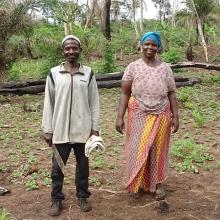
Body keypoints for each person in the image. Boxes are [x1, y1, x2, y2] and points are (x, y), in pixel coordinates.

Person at [115, 32, 179, 200]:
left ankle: (158, 184)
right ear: (141, 45)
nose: (150, 47)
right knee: (137, 148)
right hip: (138, 114)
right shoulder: (133, 67)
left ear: (158, 47)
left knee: (158, 149)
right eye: (147, 44)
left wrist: (176, 116)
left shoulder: (165, 68)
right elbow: (124, 93)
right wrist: (119, 117)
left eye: (154, 44)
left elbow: (172, 93)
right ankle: (136, 184)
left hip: (161, 113)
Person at [41, 35, 100, 216]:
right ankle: (56, 199)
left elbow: (94, 102)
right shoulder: (54, 74)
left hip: (83, 131)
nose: (71, 51)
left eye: (74, 48)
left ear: (80, 50)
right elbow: (48, 103)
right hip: (60, 131)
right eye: (68, 48)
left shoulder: (88, 73)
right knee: (57, 168)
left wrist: (95, 128)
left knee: (83, 167)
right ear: (63, 51)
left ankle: (82, 196)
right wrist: (47, 129)